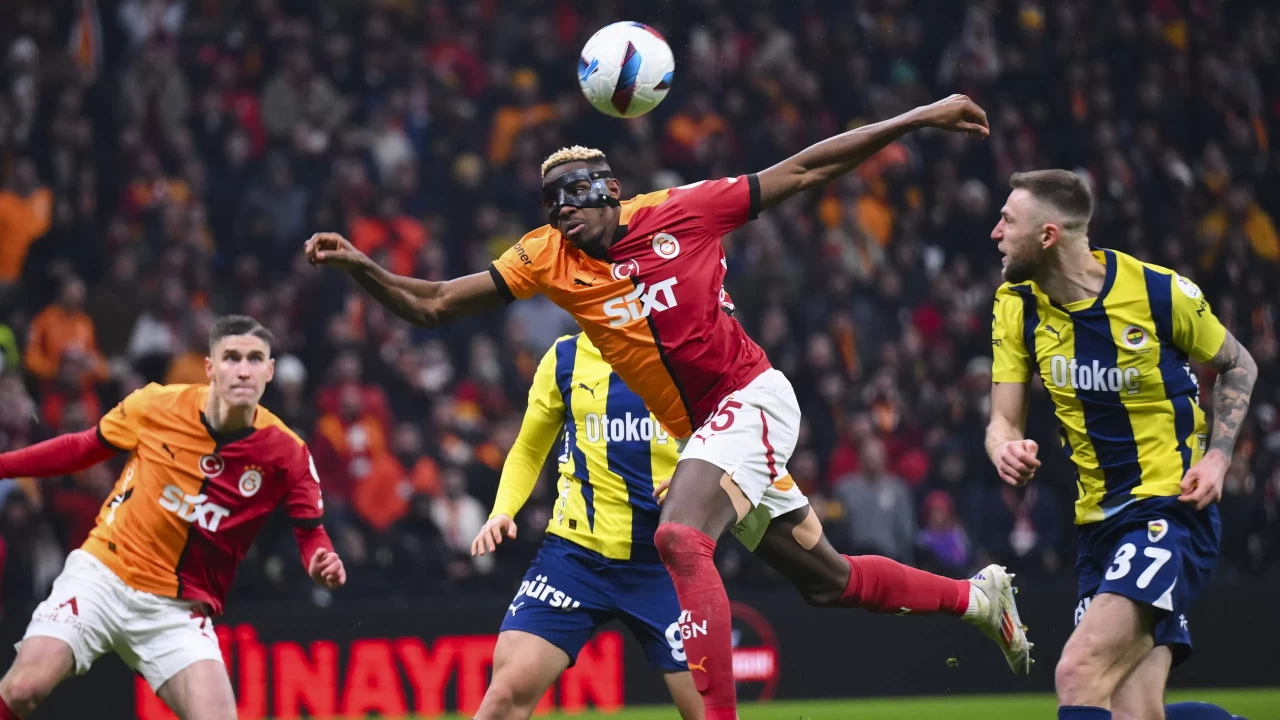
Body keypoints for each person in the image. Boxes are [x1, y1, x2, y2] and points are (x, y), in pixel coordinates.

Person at [308, 93, 1029, 719]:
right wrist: (362, 267)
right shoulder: (545, 255)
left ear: (610, 190)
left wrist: (920, 118)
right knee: (827, 581)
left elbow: (806, 170)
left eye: (574, 194)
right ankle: (977, 599)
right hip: (707, 435)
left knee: (680, 537)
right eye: (551, 201)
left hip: (752, 399)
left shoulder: (683, 211)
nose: (562, 211)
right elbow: (435, 303)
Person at [986, 170, 1255, 720]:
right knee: (1134, 712)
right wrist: (1003, 448)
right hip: (1097, 530)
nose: (995, 232)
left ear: (1048, 235)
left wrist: (1218, 457)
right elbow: (1003, 422)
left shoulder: (1158, 291)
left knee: (1077, 673)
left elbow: (1237, 364)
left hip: (1167, 510)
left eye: (1008, 220)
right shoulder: (1016, 304)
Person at [0, 315, 346, 720]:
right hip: (103, 576)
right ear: (210, 367)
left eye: (255, 359)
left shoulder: (288, 453)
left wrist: (320, 561)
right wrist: (3, 466)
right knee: (23, 689)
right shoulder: (156, 404)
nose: (243, 370)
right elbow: (82, 447)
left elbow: (311, 533)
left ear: (269, 371)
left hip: (178, 612)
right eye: (231, 358)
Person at [469, 333, 701, 720]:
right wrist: (502, 510)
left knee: (710, 713)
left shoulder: (686, 352)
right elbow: (529, 448)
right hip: (574, 559)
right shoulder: (565, 357)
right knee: (504, 698)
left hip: (665, 563)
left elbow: (729, 439)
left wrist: (695, 481)